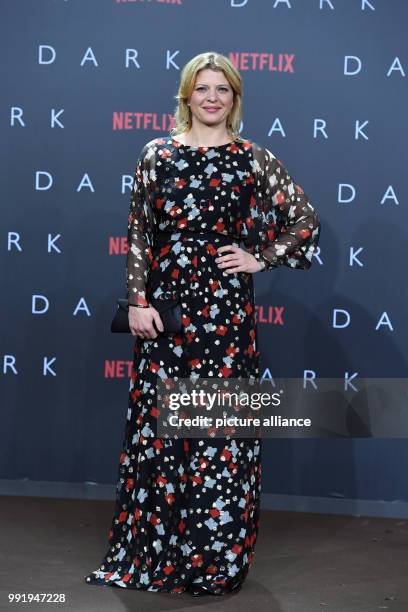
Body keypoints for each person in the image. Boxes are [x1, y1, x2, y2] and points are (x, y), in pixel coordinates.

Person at [84, 51, 321, 596]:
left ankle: (213, 557)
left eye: (224, 90)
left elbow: (304, 221)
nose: (212, 98)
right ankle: (159, 549)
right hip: (165, 310)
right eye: (203, 88)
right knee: (163, 423)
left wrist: (262, 256)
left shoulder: (250, 157)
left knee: (218, 429)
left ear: (235, 100)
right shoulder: (157, 154)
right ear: (186, 94)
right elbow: (140, 230)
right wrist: (138, 301)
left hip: (225, 314)